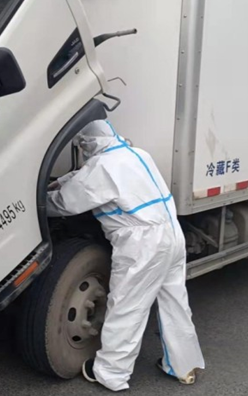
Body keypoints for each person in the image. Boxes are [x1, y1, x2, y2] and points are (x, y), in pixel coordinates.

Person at [47, 119, 205, 392]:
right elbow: (83, 176)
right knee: (175, 301)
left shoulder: (102, 166)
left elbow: (66, 203)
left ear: (88, 143)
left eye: (83, 145)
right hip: (171, 233)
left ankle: (111, 373)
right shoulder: (136, 153)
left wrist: (38, 203)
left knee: (127, 306)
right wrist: (61, 182)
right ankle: (183, 365)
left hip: (143, 244)